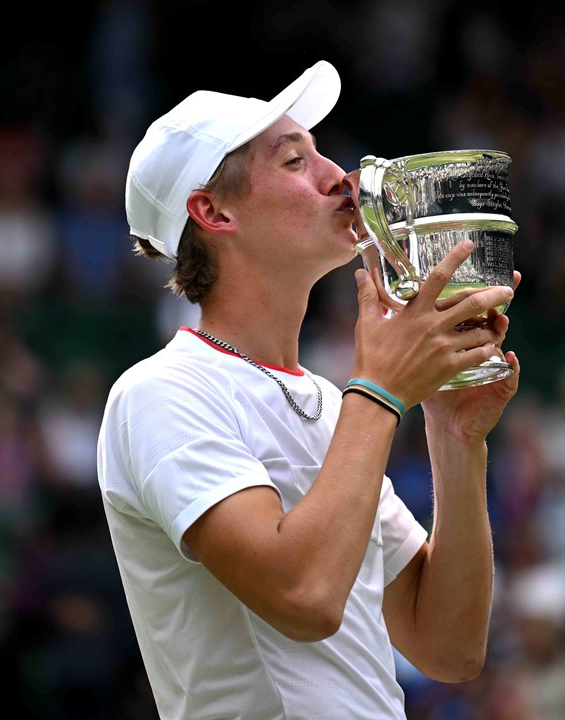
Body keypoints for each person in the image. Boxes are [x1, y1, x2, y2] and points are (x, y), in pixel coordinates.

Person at [96, 60, 520, 719]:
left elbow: (450, 646)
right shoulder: (159, 392)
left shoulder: (331, 405)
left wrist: (454, 432)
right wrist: (380, 390)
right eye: (296, 161)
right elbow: (305, 596)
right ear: (213, 211)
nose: (339, 177)